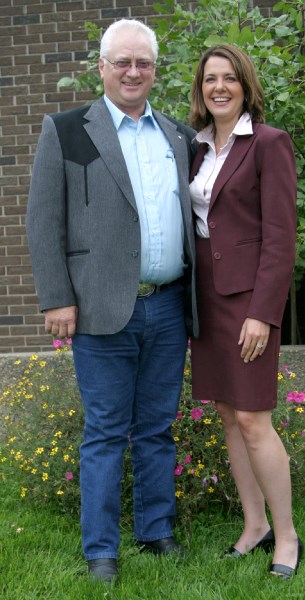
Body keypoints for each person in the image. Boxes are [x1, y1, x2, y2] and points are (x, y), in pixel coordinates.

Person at [26, 18, 198, 584]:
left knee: (155, 426)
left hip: (168, 306)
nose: (132, 71)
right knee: (104, 432)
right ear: (102, 67)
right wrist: (56, 298)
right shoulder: (67, 130)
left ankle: (157, 530)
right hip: (97, 307)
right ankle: (101, 549)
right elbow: (43, 221)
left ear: (154, 69)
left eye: (142, 62)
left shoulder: (177, 135)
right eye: (121, 62)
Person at [189, 44, 302, 580]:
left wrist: (263, 311)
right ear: (200, 88)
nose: (219, 88)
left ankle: (286, 536)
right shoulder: (196, 148)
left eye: (229, 78)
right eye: (210, 79)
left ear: (245, 84)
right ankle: (253, 524)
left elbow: (280, 237)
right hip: (206, 300)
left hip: (248, 302)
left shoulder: (268, 144)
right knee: (230, 415)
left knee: (256, 419)